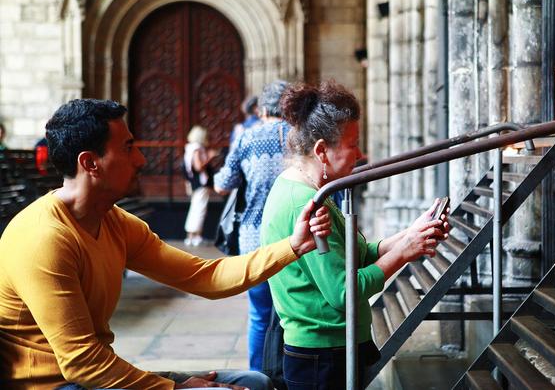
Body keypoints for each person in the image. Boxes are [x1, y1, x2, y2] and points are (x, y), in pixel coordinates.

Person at [0, 98, 331, 390]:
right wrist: (176, 388)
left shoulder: (115, 222)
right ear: (90, 163)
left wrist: (293, 245)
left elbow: (208, 277)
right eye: (128, 148)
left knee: (255, 382)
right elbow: (81, 363)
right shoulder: (43, 237)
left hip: (94, 376)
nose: (141, 160)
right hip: (60, 385)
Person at [261, 82, 450, 389]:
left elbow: (355, 253)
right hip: (322, 356)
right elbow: (343, 293)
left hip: (328, 350)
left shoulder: (310, 189)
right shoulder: (304, 204)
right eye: (353, 145)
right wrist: (403, 253)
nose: (361, 155)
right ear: (322, 150)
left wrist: (410, 235)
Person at [214, 80, 290, 374]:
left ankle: (258, 377)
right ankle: (288, 373)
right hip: (295, 239)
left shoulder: (247, 138)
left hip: (254, 239)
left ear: (262, 109)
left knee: (260, 314)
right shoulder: (301, 137)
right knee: (292, 313)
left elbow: (222, 185)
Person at [183, 125, 216, 247]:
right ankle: (195, 236)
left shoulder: (189, 148)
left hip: (194, 182)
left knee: (195, 208)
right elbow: (198, 166)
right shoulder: (197, 148)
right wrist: (210, 157)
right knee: (199, 209)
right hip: (201, 183)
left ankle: (190, 236)